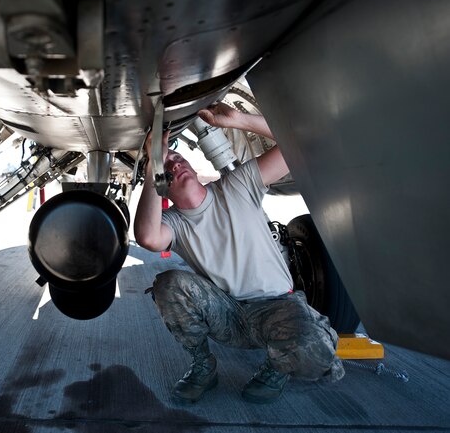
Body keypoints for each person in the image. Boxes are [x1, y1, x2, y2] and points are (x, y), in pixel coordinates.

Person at [134, 102, 344, 404]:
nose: (175, 164)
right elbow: (148, 237)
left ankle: (277, 367)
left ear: (191, 165)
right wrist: (153, 165)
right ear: (161, 186)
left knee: (320, 358)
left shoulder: (237, 184)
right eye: (166, 168)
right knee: (167, 284)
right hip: (227, 314)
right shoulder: (175, 224)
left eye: (177, 158)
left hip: (278, 308)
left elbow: (299, 141)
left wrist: (239, 120)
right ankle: (204, 367)